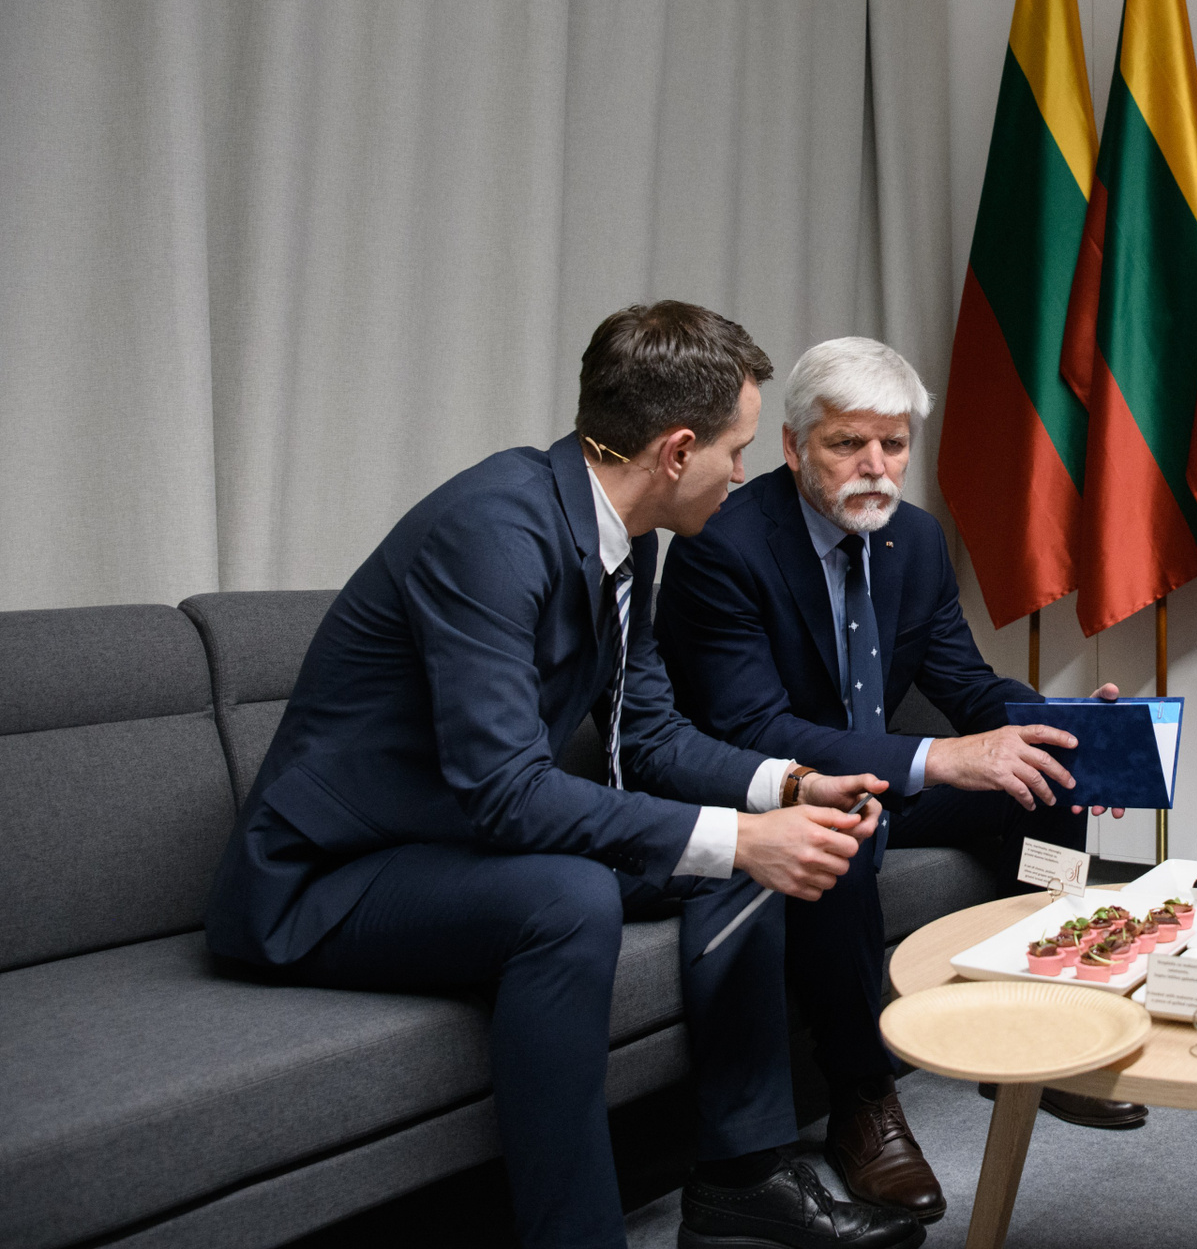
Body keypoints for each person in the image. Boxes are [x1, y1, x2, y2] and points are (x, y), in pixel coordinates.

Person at [202, 304, 925, 1249]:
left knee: (735, 865)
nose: (743, 474)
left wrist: (788, 789)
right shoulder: (494, 532)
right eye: (737, 450)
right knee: (571, 898)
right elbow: (505, 789)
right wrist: (741, 836)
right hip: (328, 878)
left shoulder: (628, 534)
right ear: (677, 452)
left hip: (455, 840)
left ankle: (740, 1176)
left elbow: (650, 736)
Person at [653, 337, 1150, 1225]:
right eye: (848, 444)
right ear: (794, 446)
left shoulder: (913, 539)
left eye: (893, 444)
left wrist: (1058, 720)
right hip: (771, 794)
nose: (875, 466)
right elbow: (753, 729)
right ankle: (862, 1100)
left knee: (1051, 774)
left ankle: (1039, 1034)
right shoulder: (721, 547)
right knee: (841, 826)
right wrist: (936, 760)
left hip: (882, 781)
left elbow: (964, 683)